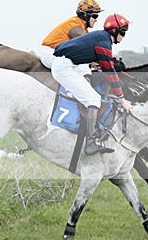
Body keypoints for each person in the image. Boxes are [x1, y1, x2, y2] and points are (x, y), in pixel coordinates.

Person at [52, 13, 133, 155]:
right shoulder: (104, 43)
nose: (124, 36)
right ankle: (90, 143)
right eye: (123, 32)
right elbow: (110, 74)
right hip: (65, 67)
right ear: (115, 31)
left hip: (71, 64)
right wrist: (122, 99)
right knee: (94, 99)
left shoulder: (102, 38)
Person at [39, 0, 103, 69]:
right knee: (82, 67)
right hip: (50, 54)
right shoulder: (75, 26)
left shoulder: (82, 27)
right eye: (95, 16)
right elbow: (86, 49)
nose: (96, 20)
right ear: (85, 15)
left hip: (56, 54)